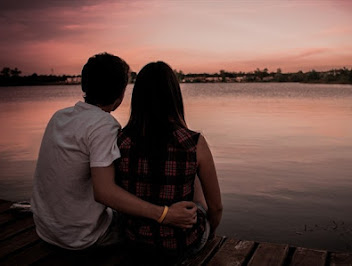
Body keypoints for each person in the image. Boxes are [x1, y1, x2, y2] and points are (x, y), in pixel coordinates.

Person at [30, 53, 198, 250]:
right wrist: (164, 214)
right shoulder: (104, 125)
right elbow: (104, 193)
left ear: (84, 86)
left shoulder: (59, 117)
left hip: (45, 228)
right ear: (120, 95)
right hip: (81, 236)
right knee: (142, 226)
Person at [116, 61, 223, 261]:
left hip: (134, 242)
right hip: (182, 245)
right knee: (196, 180)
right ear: (174, 96)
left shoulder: (120, 140)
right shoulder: (194, 142)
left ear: (138, 97)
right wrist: (210, 232)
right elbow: (216, 208)